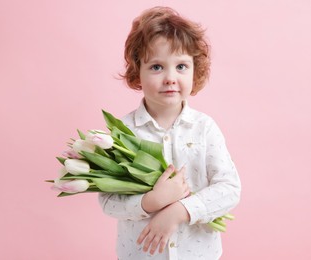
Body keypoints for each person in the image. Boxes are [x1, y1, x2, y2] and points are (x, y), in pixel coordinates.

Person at [98, 6, 241, 260]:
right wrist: (151, 202)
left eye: (182, 66)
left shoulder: (204, 128)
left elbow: (229, 187)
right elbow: (108, 201)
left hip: (199, 254)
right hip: (140, 255)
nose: (170, 78)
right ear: (137, 72)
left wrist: (178, 211)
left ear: (195, 70)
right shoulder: (123, 134)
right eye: (156, 67)